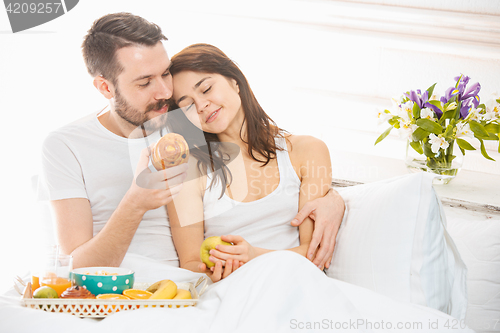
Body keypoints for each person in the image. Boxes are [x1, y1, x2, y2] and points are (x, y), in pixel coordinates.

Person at [38, 12, 345, 271]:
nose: (163, 92)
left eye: (165, 74)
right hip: (122, 289)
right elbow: (75, 269)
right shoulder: (66, 146)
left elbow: (271, 168)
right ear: (105, 86)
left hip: (185, 293)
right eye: (145, 82)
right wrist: (134, 203)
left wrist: (335, 198)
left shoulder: (183, 124)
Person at [166, 43, 334, 282]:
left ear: (235, 80)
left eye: (206, 89)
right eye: (188, 106)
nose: (201, 106)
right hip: (228, 293)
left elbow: (315, 255)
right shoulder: (187, 173)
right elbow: (191, 264)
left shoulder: (307, 151)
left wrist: (253, 256)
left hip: (295, 285)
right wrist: (217, 269)